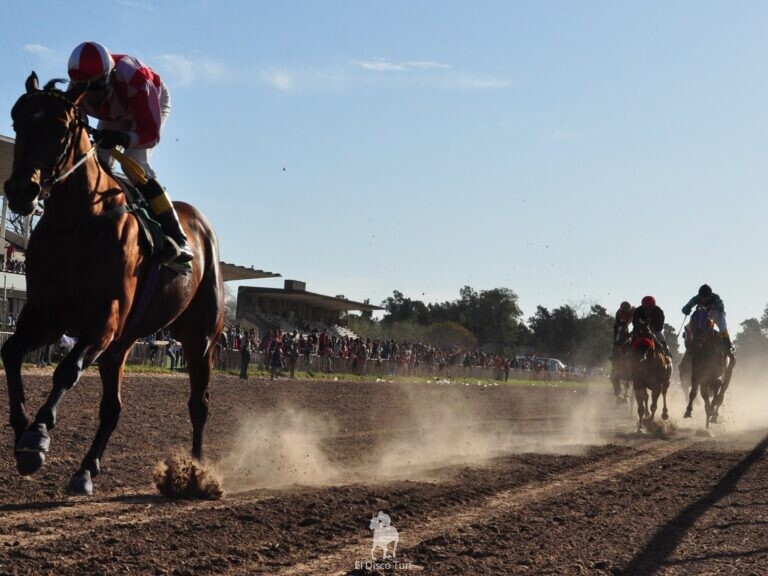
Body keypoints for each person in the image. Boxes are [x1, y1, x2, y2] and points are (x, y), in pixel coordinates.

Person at [66, 41, 193, 267]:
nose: (91, 98)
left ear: (109, 75)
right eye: (84, 91)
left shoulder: (133, 78)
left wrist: (124, 139)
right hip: (116, 110)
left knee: (134, 164)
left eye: (95, 89)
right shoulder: (77, 90)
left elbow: (150, 134)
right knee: (98, 163)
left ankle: (177, 236)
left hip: (148, 105)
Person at [681, 284, 733, 354]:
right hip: (703, 314)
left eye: (706, 298)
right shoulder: (696, 298)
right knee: (688, 326)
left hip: (717, 314)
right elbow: (687, 305)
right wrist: (686, 309)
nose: (704, 299)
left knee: (722, 327)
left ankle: (728, 345)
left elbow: (721, 306)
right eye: (702, 297)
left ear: (710, 296)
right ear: (699, 296)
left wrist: (717, 307)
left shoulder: (716, 298)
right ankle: (689, 345)